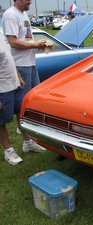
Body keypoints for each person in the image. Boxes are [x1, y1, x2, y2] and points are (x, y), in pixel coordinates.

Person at [0, 32, 45, 165]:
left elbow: (9, 58)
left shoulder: (1, 32)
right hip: (2, 88)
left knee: (22, 114)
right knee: (1, 121)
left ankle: (28, 143)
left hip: (14, 84)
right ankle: (8, 150)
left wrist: (18, 76)